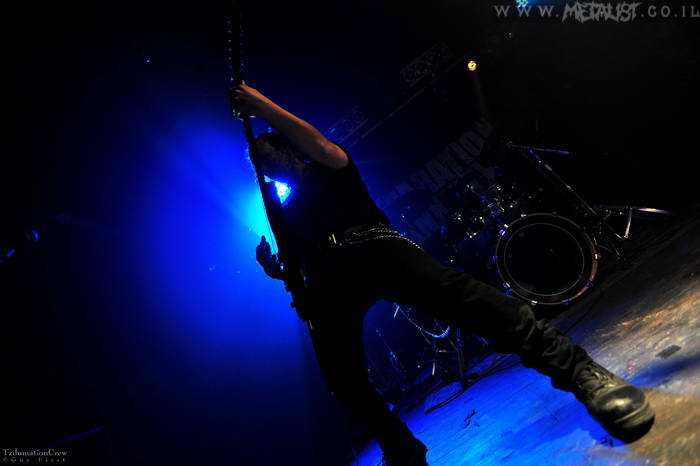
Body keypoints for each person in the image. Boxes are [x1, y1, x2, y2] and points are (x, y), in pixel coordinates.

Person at [231, 83, 654, 466]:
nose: (264, 162)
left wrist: (261, 106)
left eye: (268, 152)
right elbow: (300, 270)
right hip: (330, 283)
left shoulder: (328, 167)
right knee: (342, 381)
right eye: (259, 162)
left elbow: (320, 145)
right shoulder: (284, 215)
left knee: (467, 299)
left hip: (373, 247)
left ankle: (579, 372)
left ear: (288, 148)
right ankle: (401, 449)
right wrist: (276, 270)